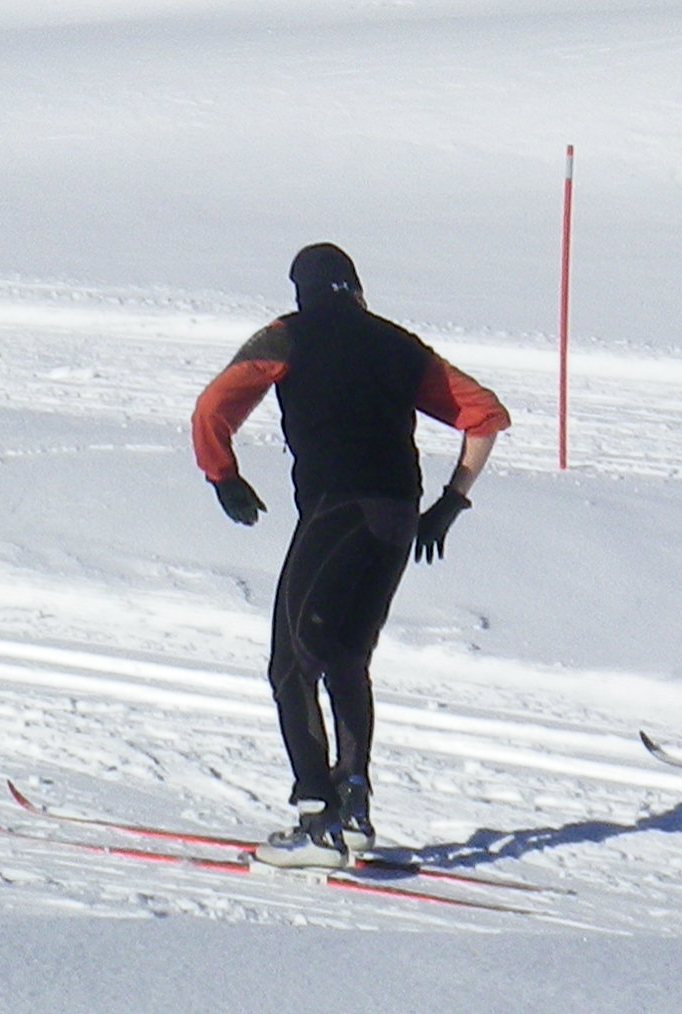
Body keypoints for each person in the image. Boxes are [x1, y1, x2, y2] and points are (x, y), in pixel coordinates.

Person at [192, 243, 507, 866]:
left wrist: (223, 476)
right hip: (396, 516)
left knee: (292, 665)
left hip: (337, 511)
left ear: (300, 289)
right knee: (346, 659)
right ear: (356, 288)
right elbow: (485, 417)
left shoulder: (285, 337)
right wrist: (449, 504)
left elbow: (211, 408)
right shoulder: (398, 344)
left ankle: (316, 819)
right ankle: (355, 810)